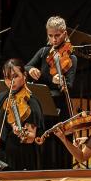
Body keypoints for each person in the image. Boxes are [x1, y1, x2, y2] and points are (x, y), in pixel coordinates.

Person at [27, 16, 78, 170]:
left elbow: (69, 85)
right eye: (50, 36)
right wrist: (31, 70)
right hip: (42, 105)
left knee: (59, 143)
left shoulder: (71, 58)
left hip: (59, 107)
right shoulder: (43, 52)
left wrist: (61, 82)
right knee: (43, 139)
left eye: (57, 35)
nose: (54, 40)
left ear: (64, 34)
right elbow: (27, 65)